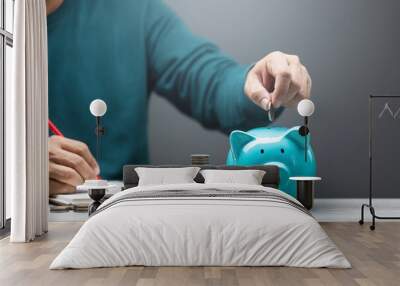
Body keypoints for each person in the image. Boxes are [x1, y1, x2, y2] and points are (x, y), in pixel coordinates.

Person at [47, 0, 312, 195]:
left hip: (119, 205)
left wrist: (258, 83)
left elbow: (208, 81)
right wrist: (17, 165)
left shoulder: (132, 11)